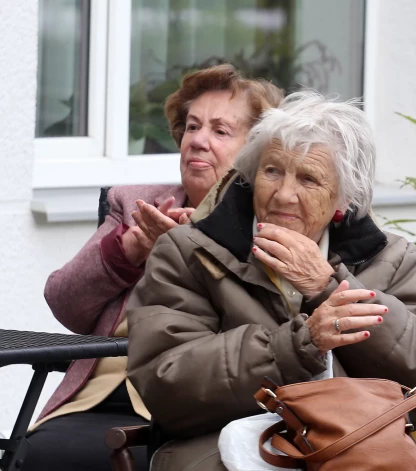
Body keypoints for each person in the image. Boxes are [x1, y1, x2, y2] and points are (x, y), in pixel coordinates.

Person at [125, 91, 416, 471]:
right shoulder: (190, 251)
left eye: (308, 178)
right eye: (272, 171)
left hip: (357, 444)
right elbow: (166, 386)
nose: (284, 194)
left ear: (343, 199)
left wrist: (328, 287)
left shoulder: (391, 259)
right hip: (218, 443)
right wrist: (296, 347)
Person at [24, 64, 283, 471]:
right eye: (192, 127)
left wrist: (196, 252)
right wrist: (132, 247)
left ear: (256, 150)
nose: (197, 141)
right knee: (43, 452)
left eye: (219, 131)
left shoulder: (266, 223)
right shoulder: (135, 205)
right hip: (98, 393)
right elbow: (64, 303)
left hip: (189, 407)